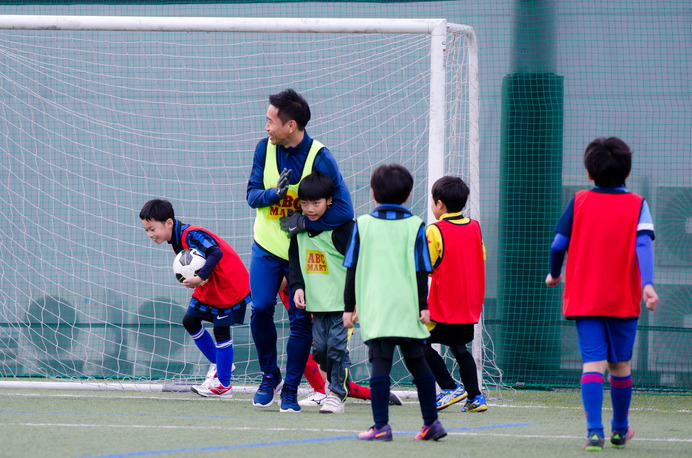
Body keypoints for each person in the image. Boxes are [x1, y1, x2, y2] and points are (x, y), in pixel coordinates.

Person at [545, 137, 659, 452]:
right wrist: (647, 284)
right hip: (623, 299)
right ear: (628, 171)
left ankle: (594, 432)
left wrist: (555, 274)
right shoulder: (638, 204)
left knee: (592, 365)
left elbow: (557, 245)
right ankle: (620, 430)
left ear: (588, 172)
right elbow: (644, 244)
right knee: (620, 366)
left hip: (585, 299)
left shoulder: (579, 200)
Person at [246, 88, 354, 412]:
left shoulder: (320, 157)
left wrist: (303, 225)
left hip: (301, 254)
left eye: (270, 121)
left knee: (301, 323)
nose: (266, 127)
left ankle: (291, 389)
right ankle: (270, 376)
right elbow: (252, 195)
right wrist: (272, 195)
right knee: (261, 308)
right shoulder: (263, 149)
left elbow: (343, 211)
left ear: (290, 125)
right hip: (266, 246)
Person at [343, 163, 446, 441]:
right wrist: (423, 305)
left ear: (373, 193)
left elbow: (350, 268)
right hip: (408, 307)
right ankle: (432, 423)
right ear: (409, 195)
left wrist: (347, 307)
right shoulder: (416, 225)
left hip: (377, 307)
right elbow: (422, 269)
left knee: (380, 363)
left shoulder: (362, 225)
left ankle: (381, 427)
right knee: (418, 363)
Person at [140, 199, 251, 397]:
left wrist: (200, 277)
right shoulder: (174, 239)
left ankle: (224, 385)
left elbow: (215, 251)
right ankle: (220, 363)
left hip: (228, 283)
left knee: (221, 330)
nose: (150, 235)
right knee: (190, 321)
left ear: (169, 223)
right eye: (146, 230)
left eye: (152, 229)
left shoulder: (191, 234)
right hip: (210, 284)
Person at [287, 171, 355, 413]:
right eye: (304, 203)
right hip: (317, 305)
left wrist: (355, 302)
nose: (310, 209)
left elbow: (358, 264)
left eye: (316, 203)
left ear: (330, 201)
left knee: (337, 348)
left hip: (342, 306)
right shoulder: (298, 230)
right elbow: (294, 262)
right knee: (321, 351)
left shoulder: (343, 230)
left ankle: (337, 394)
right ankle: (334, 385)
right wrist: (297, 287)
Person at [277, 280, 402, 407]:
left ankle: (325, 393)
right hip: (320, 314)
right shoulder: (284, 290)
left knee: (333, 371)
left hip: (338, 312)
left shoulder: (298, 275)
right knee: (304, 354)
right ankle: (372, 394)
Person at [424, 176, 488, 413]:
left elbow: (427, 265)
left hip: (442, 303)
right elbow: (479, 257)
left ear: (439, 204)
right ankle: (475, 397)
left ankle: (449, 387)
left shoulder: (435, 230)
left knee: (417, 342)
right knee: (460, 348)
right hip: (468, 303)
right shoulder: (475, 226)